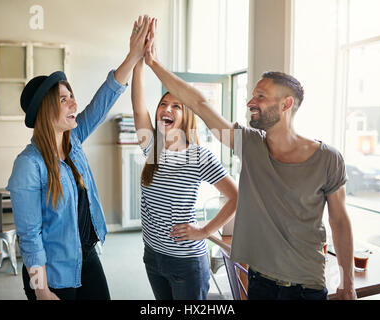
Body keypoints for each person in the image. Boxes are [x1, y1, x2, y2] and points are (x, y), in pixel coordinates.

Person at [142, 20, 357, 300]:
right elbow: (200, 104)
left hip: (306, 285)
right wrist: (152, 63)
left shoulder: (328, 159)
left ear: (286, 104)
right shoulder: (250, 144)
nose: (250, 102)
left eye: (260, 96)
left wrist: (348, 283)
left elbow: (339, 221)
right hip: (259, 281)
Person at [6, 15, 152, 300]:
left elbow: (102, 100)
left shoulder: (74, 142)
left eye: (71, 95)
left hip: (86, 256)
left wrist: (133, 57)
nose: (74, 103)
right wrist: (41, 290)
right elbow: (30, 237)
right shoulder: (28, 165)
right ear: (46, 111)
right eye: (63, 99)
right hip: (53, 273)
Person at [131, 17, 238, 300]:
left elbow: (237, 196)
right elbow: (137, 102)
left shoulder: (199, 156)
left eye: (176, 106)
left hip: (186, 263)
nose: (166, 109)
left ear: (186, 115)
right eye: (163, 104)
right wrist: (138, 56)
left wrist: (204, 230)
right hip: (152, 256)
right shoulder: (151, 147)